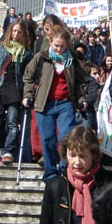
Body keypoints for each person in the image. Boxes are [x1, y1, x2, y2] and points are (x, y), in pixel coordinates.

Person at [23, 25, 87, 180]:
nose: (59, 49)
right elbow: (28, 77)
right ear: (50, 42)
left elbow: (80, 82)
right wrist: (28, 94)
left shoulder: (72, 59)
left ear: (67, 44)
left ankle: (64, 168)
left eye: (62, 46)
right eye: (56, 46)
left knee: (66, 137)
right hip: (45, 103)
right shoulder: (41, 57)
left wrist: (81, 99)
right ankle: (50, 172)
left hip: (65, 103)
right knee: (47, 138)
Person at [0, 19, 33, 165]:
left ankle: (8, 151)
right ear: (9, 31)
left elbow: (28, 74)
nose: (16, 34)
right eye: (14, 31)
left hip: (15, 88)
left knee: (13, 122)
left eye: (19, 32)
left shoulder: (27, 52)